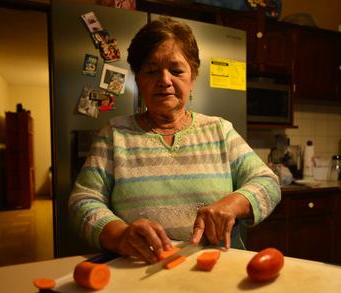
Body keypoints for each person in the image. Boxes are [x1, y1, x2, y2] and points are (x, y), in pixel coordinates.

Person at [69, 17, 281, 264]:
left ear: (193, 78)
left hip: (217, 271)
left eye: (177, 70)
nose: (165, 80)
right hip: (138, 273)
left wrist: (233, 204)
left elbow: (268, 183)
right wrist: (119, 235)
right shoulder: (114, 135)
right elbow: (82, 201)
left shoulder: (219, 131)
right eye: (151, 70)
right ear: (137, 79)